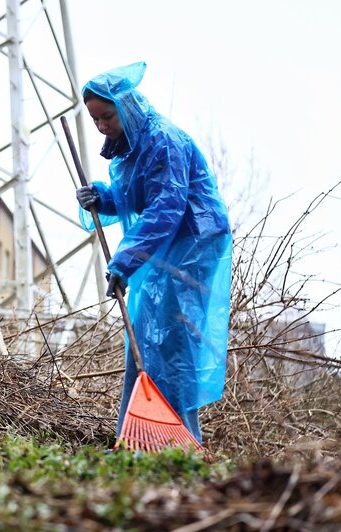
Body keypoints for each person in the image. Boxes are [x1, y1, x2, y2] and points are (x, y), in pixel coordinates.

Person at [75, 62, 232, 444]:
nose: (101, 126)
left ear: (126, 107)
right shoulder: (130, 151)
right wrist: (103, 197)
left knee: (173, 338)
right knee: (144, 337)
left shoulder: (163, 140)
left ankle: (181, 441)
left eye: (106, 116)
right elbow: (135, 198)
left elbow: (165, 207)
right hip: (165, 244)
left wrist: (125, 262)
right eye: (95, 119)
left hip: (192, 242)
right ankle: (131, 439)